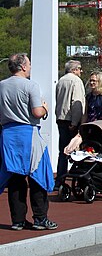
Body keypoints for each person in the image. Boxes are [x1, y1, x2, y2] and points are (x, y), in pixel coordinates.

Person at [0, 53, 57, 231]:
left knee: (15, 178)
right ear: (23, 66)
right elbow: (37, 112)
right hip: (28, 134)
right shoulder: (30, 85)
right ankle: (40, 218)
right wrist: (45, 107)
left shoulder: (1, 85)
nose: (31, 67)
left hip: (8, 135)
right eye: (29, 64)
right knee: (37, 177)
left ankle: (18, 220)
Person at [54, 60, 85, 188]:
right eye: (79, 68)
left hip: (61, 118)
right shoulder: (76, 81)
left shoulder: (61, 81)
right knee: (77, 150)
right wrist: (75, 122)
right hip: (71, 120)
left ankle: (60, 179)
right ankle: (79, 178)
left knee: (62, 151)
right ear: (74, 69)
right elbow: (77, 103)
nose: (81, 71)